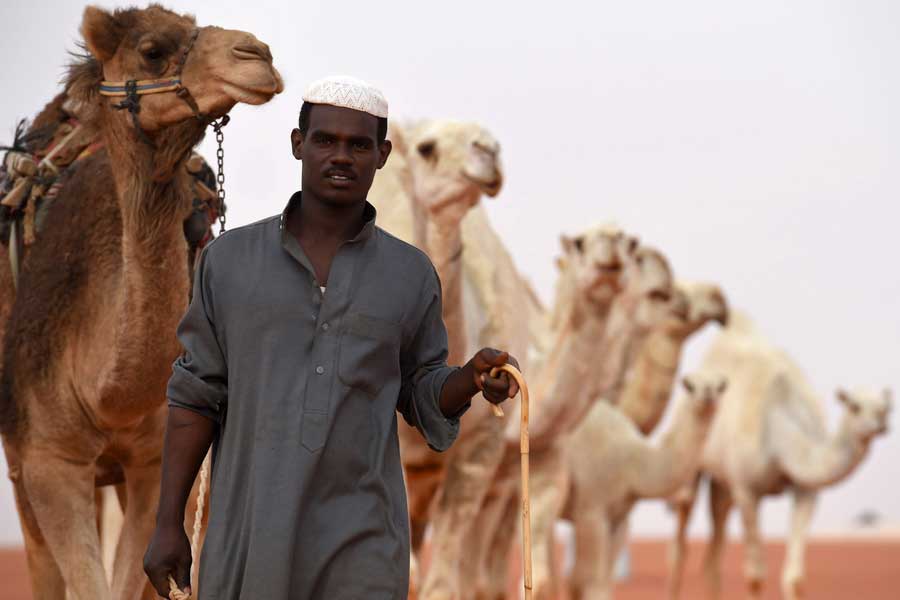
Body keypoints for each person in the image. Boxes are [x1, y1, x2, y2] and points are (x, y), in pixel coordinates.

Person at [143, 75, 520, 599]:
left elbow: (421, 393)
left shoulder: (411, 275)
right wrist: (167, 525)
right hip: (248, 543)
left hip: (363, 548)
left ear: (383, 155)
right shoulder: (229, 263)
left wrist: (470, 379)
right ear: (299, 144)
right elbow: (195, 397)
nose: (341, 156)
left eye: (359, 144)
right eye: (326, 140)